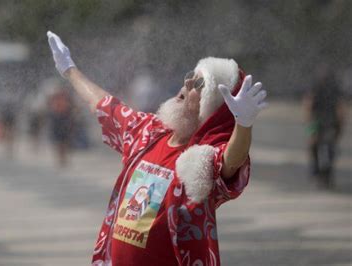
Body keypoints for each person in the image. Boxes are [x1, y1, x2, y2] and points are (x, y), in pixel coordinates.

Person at [47, 31, 268, 265]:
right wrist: (69, 69)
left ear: (212, 108)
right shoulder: (148, 132)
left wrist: (243, 124)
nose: (186, 84)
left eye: (199, 84)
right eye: (191, 76)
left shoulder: (200, 161)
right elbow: (104, 104)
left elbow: (231, 160)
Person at [302, 64, 346, 189]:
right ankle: (326, 174)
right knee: (330, 147)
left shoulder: (316, 86)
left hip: (316, 122)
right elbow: (340, 109)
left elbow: (308, 105)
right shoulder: (335, 88)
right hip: (330, 122)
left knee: (314, 146)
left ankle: (317, 173)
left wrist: (309, 125)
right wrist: (341, 127)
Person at [47, 85, 75, 167]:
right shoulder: (55, 97)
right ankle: (61, 159)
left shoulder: (65, 97)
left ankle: (64, 158)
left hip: (63, 118)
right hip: (58, 118)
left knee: (64, 140)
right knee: (60, 141)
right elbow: (50, 107)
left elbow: (71, 107)